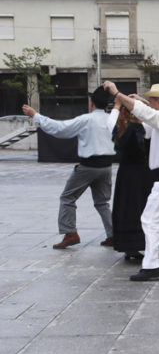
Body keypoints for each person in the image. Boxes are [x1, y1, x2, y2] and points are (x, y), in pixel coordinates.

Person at [103, 81, 159, 282]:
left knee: (150, 220)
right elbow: (148, 121)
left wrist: (118, 93)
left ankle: (151, 265)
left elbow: (147, 114)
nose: (150, 105)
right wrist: (141, 101)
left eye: (152, 101)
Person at [23, 86, 117, 249]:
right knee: (102, 203)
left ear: (92, 104)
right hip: (106, 166)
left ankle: (70, 233)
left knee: (67, 198)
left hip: (88, 166)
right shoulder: (111, 119)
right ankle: (113, 234)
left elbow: (59, 129)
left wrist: (35, 115)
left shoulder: (87, 119)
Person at [110, 96, 150, 261]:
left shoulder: (120, 127)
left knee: (127, 207)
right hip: (143, 172)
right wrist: (143, 102)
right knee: (143, 207)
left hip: (126, 173)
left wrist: (119, 104)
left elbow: (110, 124)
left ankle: (129, 247)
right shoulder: (140, 127)